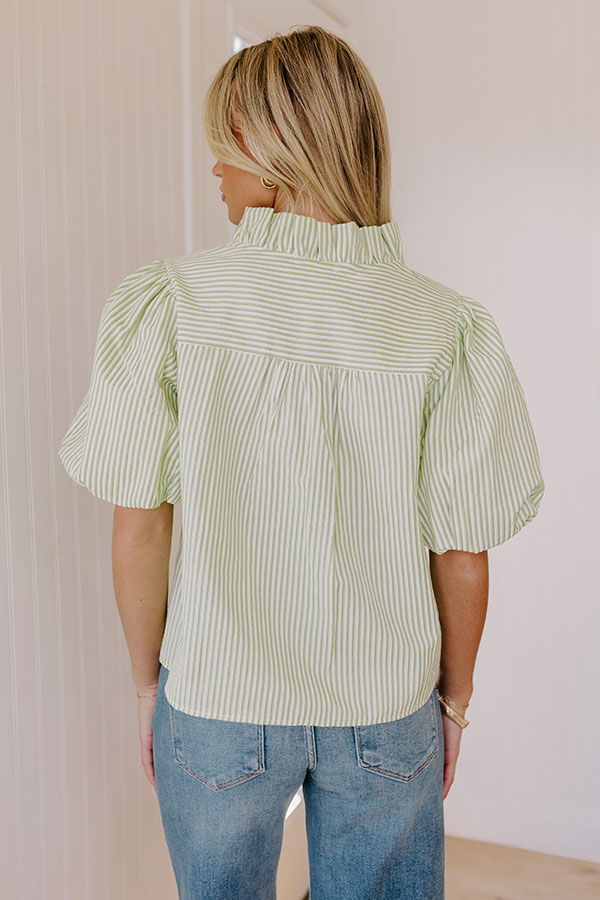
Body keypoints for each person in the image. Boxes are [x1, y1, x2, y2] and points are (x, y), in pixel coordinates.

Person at [58, 24, 545, 900]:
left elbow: (141, 528)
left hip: (217, 704)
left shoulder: (172, 303)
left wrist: (146, 687)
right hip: (385, 709)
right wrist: (455, 704)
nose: (214, 165)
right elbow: (463, 554)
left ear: (277, 150)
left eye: (225, 140)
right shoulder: (445, 326)